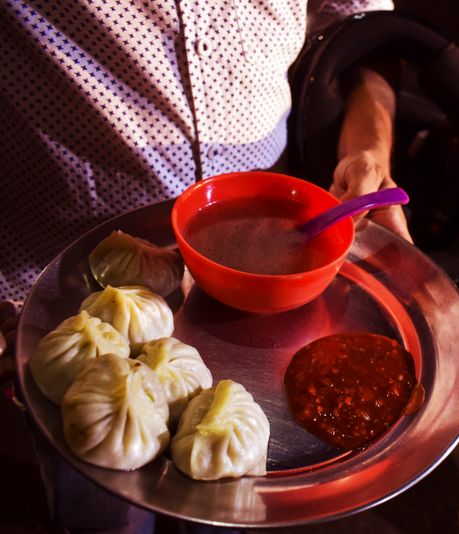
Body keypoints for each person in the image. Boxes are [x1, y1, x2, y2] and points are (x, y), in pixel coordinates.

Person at [0, 1, 411, 531]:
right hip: (71, 275)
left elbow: (365, 34)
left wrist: (371, 148)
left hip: (273, 269)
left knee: (235, 502)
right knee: (102, 500)